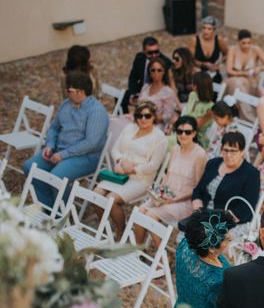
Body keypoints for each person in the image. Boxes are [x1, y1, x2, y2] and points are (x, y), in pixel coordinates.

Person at [23, 71, 108, 208]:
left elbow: (91, 143)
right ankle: (49, 206)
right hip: (58, 149)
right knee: (29, 167)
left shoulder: (96, 111)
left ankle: (65, 209)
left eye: (69, 90)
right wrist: (49, 145)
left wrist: (63, 155)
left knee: (56, 177)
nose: (66, 92)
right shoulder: (66, 104)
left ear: (80, 92)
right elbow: (54, 128)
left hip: (86, 157)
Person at [94, 101, 168, 238]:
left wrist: (133, 169)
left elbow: (153, 165)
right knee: (96, 194)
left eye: (147, 115)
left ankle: (121, 229)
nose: (143, 119)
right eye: (139, 115)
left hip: (140, 179)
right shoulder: (130, 128)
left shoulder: (160, 138)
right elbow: (115, 149)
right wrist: (120, 161)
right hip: (120, 173)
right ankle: (105, 226)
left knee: (111, 199)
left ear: (153, 117)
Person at [135, 116, 207, 244]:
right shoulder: (175, 149)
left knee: (150, 216)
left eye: (187, 132)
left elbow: (198, 188)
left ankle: (160, 260)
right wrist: (159, 194)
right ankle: (138, 252)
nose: (183, 135)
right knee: (140, 212)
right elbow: (168, 176)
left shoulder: (200, 154)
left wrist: (174, 200)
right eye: (179, 131)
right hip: (167, 194)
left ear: (194, 133)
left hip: (184, 201)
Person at [191, 131, 260, 225]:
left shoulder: (251, 174)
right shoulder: (212, 164)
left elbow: (245, 210)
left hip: (228, 222)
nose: (228, 155)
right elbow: (198, 190)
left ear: (242, 152)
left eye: (233, 151)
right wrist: (198, 211)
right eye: (225, 150)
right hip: (203, 215)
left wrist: (216, 220)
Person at [226, 29, 264, 121]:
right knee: (238, 83)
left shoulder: (255, 49)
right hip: (234, 80)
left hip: (250, 82)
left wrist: (259, 68)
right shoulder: (233, 50)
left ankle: (263, 116)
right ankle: (249, 118)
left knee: (259, 85)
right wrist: (244, 73)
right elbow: (229, 71)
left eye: (249, 43)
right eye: (243, 43)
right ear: (239, 42)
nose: (246, 45)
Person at [122, 36, 172, 113]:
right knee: (122, 97)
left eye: (156, 52)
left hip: (156, 91)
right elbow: (133, 77)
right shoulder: (140, 58)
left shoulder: (166, 63)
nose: (154, 55)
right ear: (144, 51)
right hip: (141, 88)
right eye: (150, 53)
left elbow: (169, 84)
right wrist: (133, 93)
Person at [137, 57, 180, 132]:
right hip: (140, 120)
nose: (156, 73)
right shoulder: (145, 87)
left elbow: (168, 116)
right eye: (153, 70)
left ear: (163, 72)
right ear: (149, 72)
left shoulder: (168, 91)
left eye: (159, 70)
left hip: (156, 125)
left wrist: (151, 118)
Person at [181, 72, 215, 147]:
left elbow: (195, 126)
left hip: (196, 138)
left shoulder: (210, 106)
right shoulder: (192, 95)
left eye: (192, 83)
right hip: (182, 131)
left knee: (168, 142)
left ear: (195, 86)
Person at [189, 16, 228, 83]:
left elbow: (227, 54)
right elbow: (189, 59)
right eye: (204, 28)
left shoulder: (219, 40)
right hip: (198, 71)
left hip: (213, 72)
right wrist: (203, 64)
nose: (206, 31)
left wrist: (219, 65)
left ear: (214, 30)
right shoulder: (195, 40)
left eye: (209, 29)